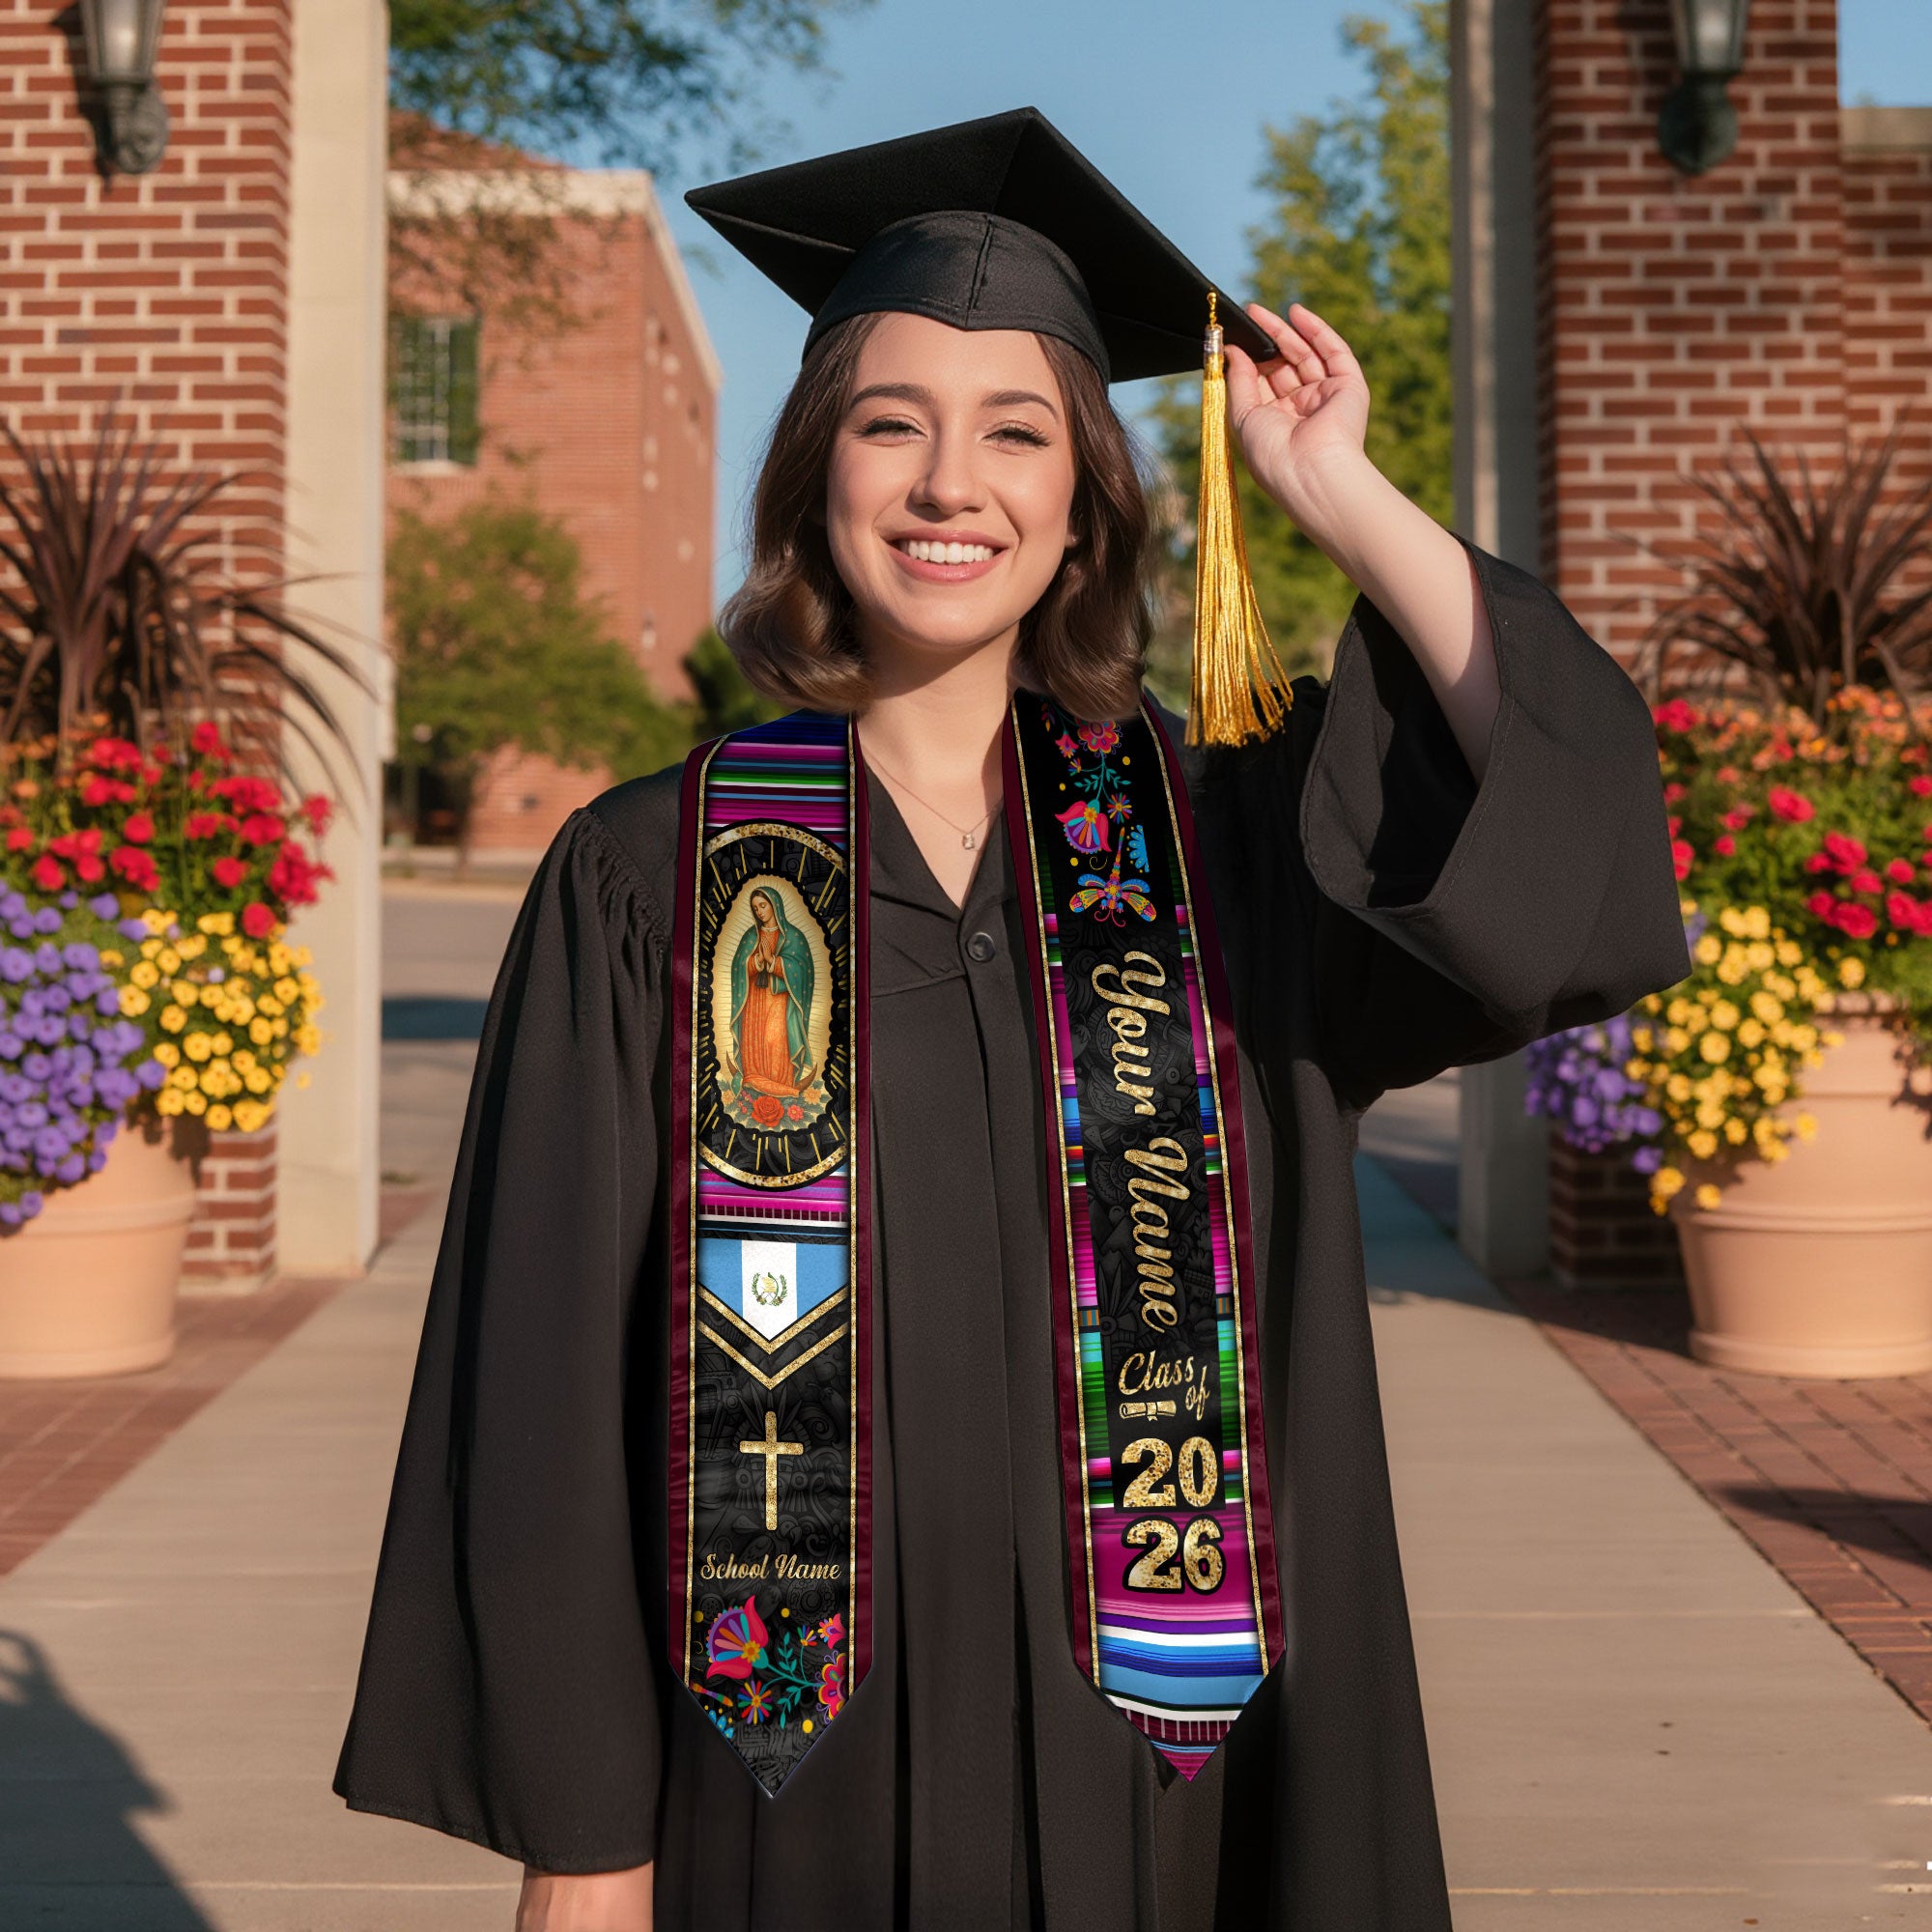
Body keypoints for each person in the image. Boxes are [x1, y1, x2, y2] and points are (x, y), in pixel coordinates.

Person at [333, 109, 1690, 1931]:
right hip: (782, 1788)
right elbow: (545, 1382)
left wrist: (1336, 490)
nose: (949, 485)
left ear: (1084, 502)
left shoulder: (1229, 853)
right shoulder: (652, 876)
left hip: (1180, 1790)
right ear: (816, 472)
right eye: (892, 424)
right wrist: (583, 1844)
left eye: (1017, 432)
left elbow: (1563, 845)